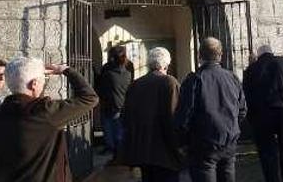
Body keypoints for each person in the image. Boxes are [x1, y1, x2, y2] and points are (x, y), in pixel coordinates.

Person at [0, 57, 98, 182]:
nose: (44, 83)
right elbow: (89, 98)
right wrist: (66, 70)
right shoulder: (45, 112)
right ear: (34, 84)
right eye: (43, 80)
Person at [175, 37, 246, 182]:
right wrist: (232, 127)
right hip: (228, 141)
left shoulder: (195, 80)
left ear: (199, 56)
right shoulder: (232, 77)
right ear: (220, 55)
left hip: (204, 143)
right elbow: (242, 109)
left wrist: (182, 141)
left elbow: (185, 115)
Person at [122, 47, 183, 182]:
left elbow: (126, 117)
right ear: (167, 64)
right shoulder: (170, 82)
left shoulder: (136, 84)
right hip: (165, 152)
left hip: (143, 150)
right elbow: (175, 117)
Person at [243, 45, 283, 182]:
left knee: (267, 154)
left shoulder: (250, 70)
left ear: (259, 55)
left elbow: (247, 96)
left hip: (262, 116)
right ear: (271, 52)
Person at [95, 45, 133, 160]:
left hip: (110, 105)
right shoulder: (128, 70)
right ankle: (119, 153)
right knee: (119, 132)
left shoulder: (108, 72)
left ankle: (114, 153)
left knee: (111, 131)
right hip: (123, 104)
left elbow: (100, 87)